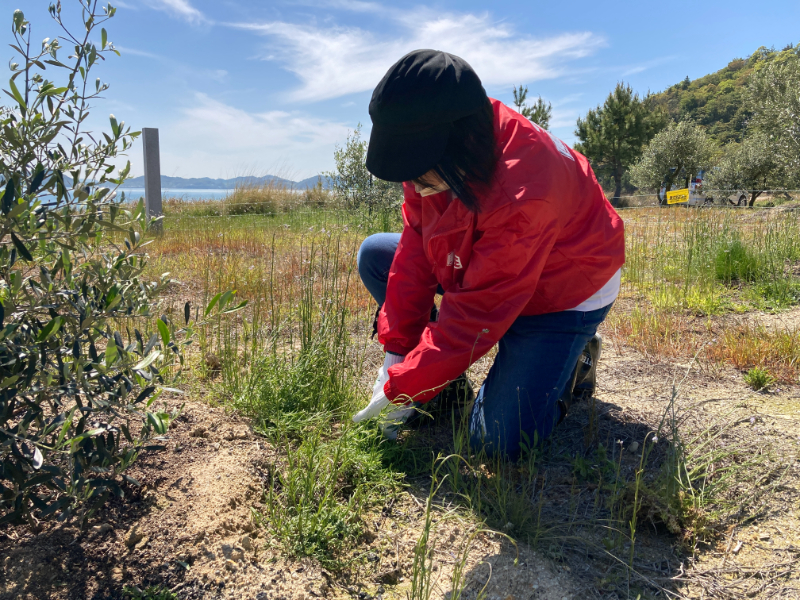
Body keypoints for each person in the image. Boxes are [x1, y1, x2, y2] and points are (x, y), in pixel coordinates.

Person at [352, 49, 625, 459]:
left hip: (563, 292)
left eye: (420, 178)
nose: (413, 186)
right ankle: (441, 392)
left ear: (458, 146)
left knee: (495, 441)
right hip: (495, 265)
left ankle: (572, 366)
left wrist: (403, 386)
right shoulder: (434, 152)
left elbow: (476, 314)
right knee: (377, 253)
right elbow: (415, 249)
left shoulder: (525, 191)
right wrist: (398, 352)